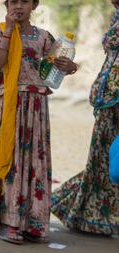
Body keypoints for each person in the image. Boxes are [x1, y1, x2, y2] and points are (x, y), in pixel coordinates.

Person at [0, 0, 79, 244]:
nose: (18, 6)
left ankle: (34, 225)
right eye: (12, 1)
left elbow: (54, 70)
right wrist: (8, 30)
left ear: (34, 5)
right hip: (10, 108)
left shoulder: (45, 37)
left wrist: (69, 67)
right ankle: (11, 224)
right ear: (6, 5)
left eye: (24, 1)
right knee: (13, 159)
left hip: (36, 108)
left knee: (34, 161)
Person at [51, 2, 119, 236]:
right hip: (108, 97)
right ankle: (89, 215)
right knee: (102, 160)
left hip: (112, 96)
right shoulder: (116, 16)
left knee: (107, 161)